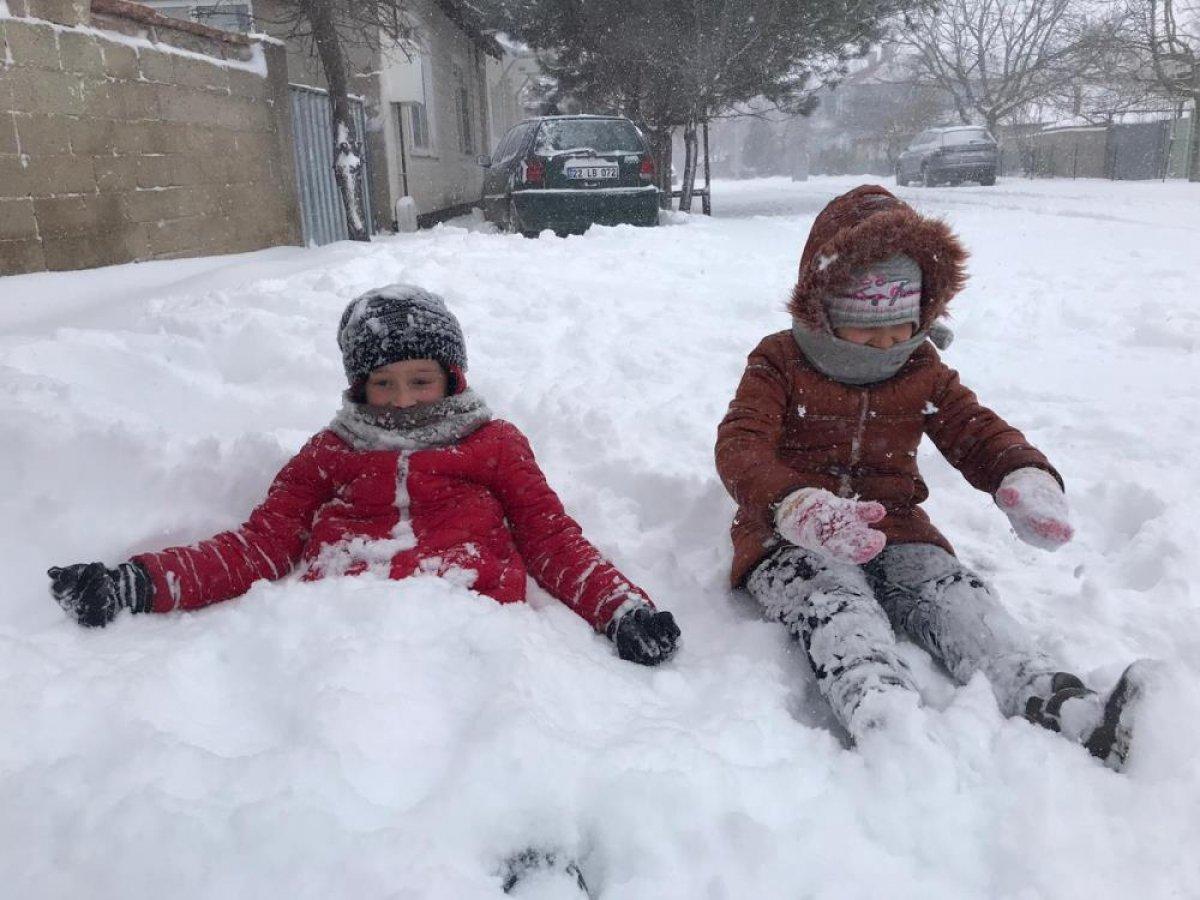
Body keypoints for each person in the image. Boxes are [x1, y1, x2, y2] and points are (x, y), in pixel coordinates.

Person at [715, 185, 1151, 768]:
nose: (890, 346)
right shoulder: (778, 362)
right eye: (870, 333)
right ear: (827, 313)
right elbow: (741, 446)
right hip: (790, 535)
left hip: (897, 531)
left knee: (955, 596)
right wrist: (795, 504)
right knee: (836, 605)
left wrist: (1022, 473)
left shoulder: (921, 368)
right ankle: (886, 720)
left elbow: (975, 429)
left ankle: (1060, 703)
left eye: (902, 330)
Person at [48, 284, 680, 667]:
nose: (402, 400)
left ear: (452, 377)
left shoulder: (494, 446)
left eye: (421, 380)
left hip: (469, 624)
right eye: (383, 383)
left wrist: (622, 610)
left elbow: (550, 539)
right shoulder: (331, 452)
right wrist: (137, 583)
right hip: (343, 632)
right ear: (360, 385)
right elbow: (261, 545)